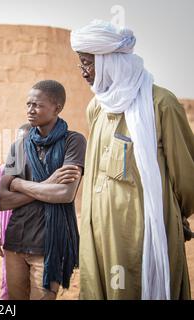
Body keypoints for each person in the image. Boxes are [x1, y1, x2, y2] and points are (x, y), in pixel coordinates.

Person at [70, 20, 194, 300]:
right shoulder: (97, 107)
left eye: (88, 63)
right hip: (97, 229)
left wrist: (174, 216)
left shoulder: (161, 103)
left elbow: (186, 175)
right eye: (81, 63)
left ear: (109, 62)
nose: (83, 72)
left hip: (143, 230)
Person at [0, 80, 86, 300]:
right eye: (28, 104)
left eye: (36, 105)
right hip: (16, 240)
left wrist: (19, 185)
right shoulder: (19, 146)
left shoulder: (73, 142)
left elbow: (64, 194)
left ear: (57, 108)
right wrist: (47, 184)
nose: (30, 110)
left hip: (50, 243)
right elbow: (2, 199)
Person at [0, 123, 31, 300]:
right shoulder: (3, 171)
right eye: (19, 141)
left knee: (38, 284)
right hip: (10, 240)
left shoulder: (45, 170)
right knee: (10, 286)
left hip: (38, 239)